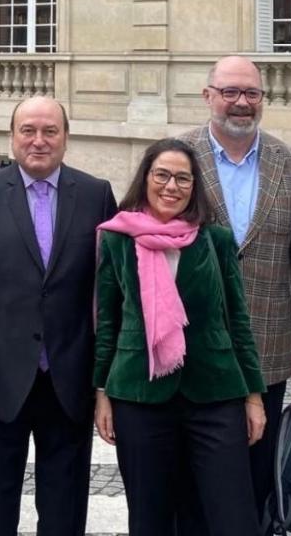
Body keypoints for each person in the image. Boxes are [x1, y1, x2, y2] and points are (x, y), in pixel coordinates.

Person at [0, 96, 117, 536]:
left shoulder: (96, 195)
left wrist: (103, 382)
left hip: (70, 382)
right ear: (12, 137)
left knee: (64, 513)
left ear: (66, 138)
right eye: (28, 131)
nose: (38, 141)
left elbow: (110, 295)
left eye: (49, 131)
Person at [177, 55, 291, 529]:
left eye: (251, 93)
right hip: (191, 346)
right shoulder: (177, 157)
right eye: (230, 92)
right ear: (208, 96)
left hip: (269, 347)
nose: (241, 102)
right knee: (192, 478)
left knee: (258, 474)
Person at [93, 138, 266, 535]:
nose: (171, 186)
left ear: (194, 186)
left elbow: (238, 319)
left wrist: (254, 396)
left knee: (233, 517)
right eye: (162, 175)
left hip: (214, 393)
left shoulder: (215, 239)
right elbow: (108, 322)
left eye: (183, 178)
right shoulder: (118, 239)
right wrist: (101, 391)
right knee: (150, 518)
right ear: (146, 178)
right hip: (139, 393)